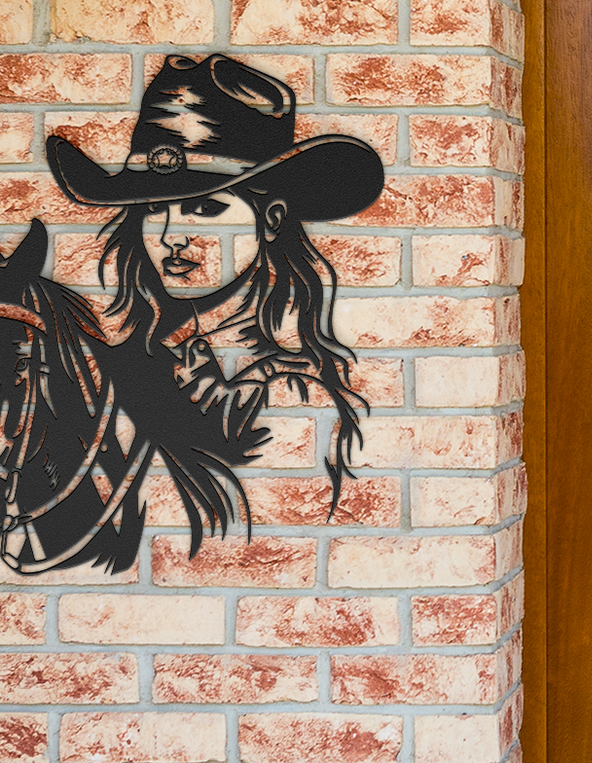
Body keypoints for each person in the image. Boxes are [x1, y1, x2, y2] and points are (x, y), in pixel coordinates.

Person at [44, 53, 386, 540]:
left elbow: (269, 543)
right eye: (153, 208)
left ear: (270, 220)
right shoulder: (114, 368)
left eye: (203, 208)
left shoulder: (293, 398)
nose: (169, 235)